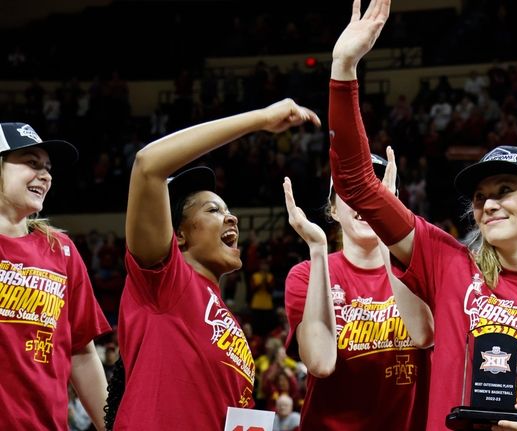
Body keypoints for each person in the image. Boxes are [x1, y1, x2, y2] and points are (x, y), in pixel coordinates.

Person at [326, 1, 517, 429]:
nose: (488, 204)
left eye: (505, 191)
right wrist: (343, 69)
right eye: (479, 196)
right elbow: (357, 183)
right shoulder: (449, 265)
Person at [106, 99, 320, 430]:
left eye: (227, 209)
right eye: (212, 210)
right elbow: (148, 164)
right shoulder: (164, 278)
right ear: (178, 235)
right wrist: (259, 118)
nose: (230, 216)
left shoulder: (231, 322)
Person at [282, 149, 431, 430]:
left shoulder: (423, 269)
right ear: (334, 209)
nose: (366, 202)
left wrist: (388, 224)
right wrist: (317, 248)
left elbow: (424, 335)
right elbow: (320, 363)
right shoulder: (305, 274)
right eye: (354, 192)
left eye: (375, 192)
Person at [0, 122, 111, 430]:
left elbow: (82, 354)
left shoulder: (60, 249)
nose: (45, 175)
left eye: (48, 168)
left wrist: (113, 426)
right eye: (31, 163)